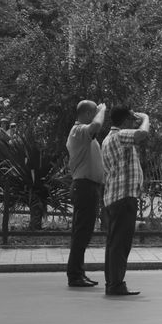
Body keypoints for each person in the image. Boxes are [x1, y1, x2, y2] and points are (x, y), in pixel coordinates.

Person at [100, 107, 151, 296]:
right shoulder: (120, 136)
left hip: (115, 195)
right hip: (123, 196)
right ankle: (116, 284)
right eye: (132, 119)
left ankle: (113, 283)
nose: (134, 122)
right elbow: (142, 133)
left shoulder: (108, 139)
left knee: (115, 243)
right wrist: (145, 117)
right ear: (125, 121)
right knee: (120, 243)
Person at [65, 100, 106, 289]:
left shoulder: (83, 133)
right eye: (95, 112)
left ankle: (78, 272)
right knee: (81, 233)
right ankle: (74, 275)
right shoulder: (79, 131)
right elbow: (96, 125)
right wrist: (102, 110)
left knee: (83, 232)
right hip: (84, 186)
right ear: (89, 114)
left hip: (88, 186)